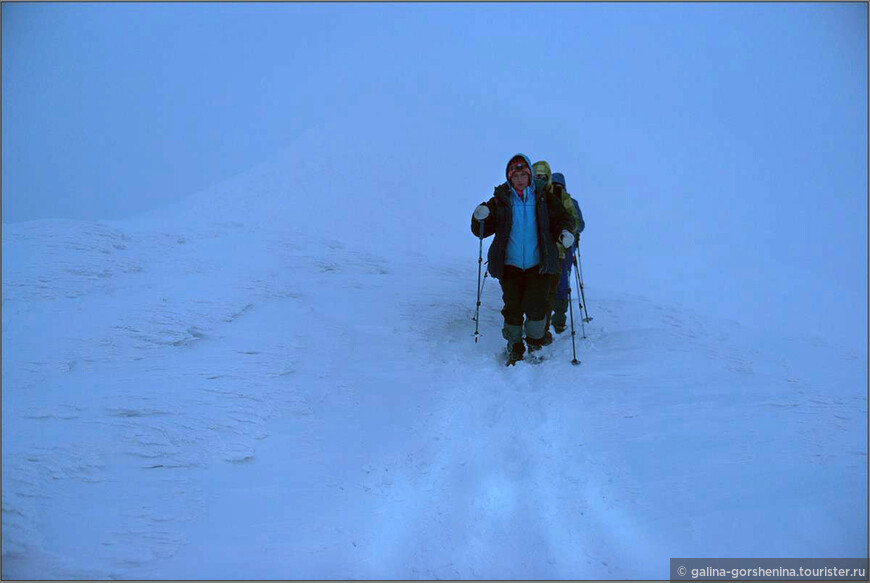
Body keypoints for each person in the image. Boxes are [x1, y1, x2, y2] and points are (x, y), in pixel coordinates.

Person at [471, 154, 575, 365]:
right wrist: (478, 217)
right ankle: (515, 347)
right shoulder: (501, 199)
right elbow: (481, 230)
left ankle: (535, 343)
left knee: (537, 308)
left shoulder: (544, 198)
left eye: (523, 174)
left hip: (539, 265)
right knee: (513, 308)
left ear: (529, 175)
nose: (519, 179)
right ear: (509, 177)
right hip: (511, 266)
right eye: (515, 175)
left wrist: (564, 232)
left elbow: (564, 219)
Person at [532, 161, 581, 340]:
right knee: (556, 283)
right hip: (555, 248)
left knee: (558, 283)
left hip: (563, 248)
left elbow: (578, 223)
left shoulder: (566, 200)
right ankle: (553, 320)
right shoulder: (545, 196)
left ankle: (556, 318)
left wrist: (567, 233)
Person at [548, 172, 585, 333]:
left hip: (561, 246)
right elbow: (581, 225)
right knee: (562, 280)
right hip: (566, 247)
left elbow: (580, 224)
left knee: (554, 280)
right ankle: (559, 320)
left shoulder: (551, 200)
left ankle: (552, 318)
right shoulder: (571, 202)